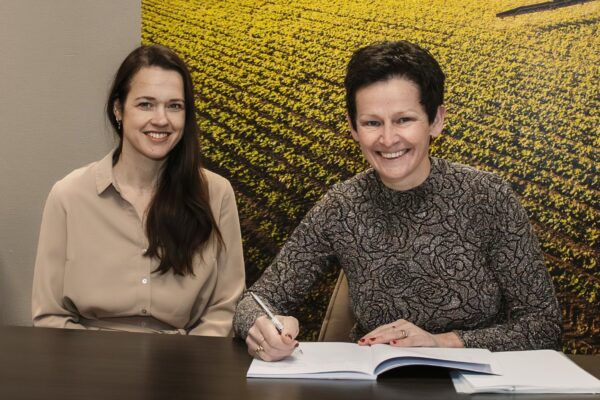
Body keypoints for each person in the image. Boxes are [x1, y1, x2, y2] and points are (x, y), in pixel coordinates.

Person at [233, 40, 561, 360]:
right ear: (353, 128)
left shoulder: (488, 196)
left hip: (477, 381)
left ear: (436, 121)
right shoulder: (342, 206)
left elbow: (543, 324)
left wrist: (443, 343)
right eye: (372, 123)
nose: (388, 139)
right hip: (377, 380)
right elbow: (257, 301)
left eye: (404, 120)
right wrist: (263, 328)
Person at [32, 45, 245, 336]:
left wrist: (187, 359)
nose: (161, 119)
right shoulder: (68, 196)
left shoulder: (216, 195)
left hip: (185, 360)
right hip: (86, 360)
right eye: (146, 104)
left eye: (174, 106)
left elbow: (225, 308)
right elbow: (50, 316)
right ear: (118, 109)